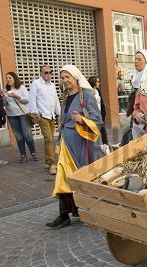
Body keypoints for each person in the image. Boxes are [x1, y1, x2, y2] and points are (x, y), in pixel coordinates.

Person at [46, 65, 104, 229]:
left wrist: (82, 120)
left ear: (76, 77)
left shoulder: (86, 96)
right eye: (63, 78)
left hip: (80, 142)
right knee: (64, 176)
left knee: (80, 176)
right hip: (67, 141)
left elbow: (97, 119)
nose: (65, 81)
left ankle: (82, 210)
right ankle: (64, 214)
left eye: (68, 77)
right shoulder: (66, 96)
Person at [29, 65, 61, 175]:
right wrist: (35, 113)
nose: (48, 74)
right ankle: (52, 164)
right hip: (42, 116)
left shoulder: (52, 85)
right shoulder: (36, 84)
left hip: (52, 116)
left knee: (50, 139)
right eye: (46, 72)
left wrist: (59, 113)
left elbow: (56, 99)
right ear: (41, 73)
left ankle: (47, 162)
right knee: (49, 139)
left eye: (50, 72)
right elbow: (32, 99)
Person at [2, 72, 38, 163]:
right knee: (18, 137)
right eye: (7, 78)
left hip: (23, 114)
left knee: (27, 135)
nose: (8, 79)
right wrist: (4, 97)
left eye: (10, 77)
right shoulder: (6, 90)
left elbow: (27, 100)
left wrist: (16, 96)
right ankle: (23, 155)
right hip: (11, 116)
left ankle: (33, 153)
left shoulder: (21, 88)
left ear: (14, 78)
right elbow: (4, 104)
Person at [121, 49, 147, 145]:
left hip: (146, 121)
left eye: (139, 59)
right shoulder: (135, 78)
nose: (136, 61)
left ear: (146, 62)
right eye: (135, 59)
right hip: (135, 119)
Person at [87, 76, 108, 145]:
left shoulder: (98, 91)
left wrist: (103, 113)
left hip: (100, 115)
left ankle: (106, 146)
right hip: (92, 116)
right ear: (94, 82)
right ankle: (94, 147)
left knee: (103, 132)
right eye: (98, 82)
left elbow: (101, 103)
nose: (99, 83)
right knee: (93, 133)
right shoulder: (88, 93)